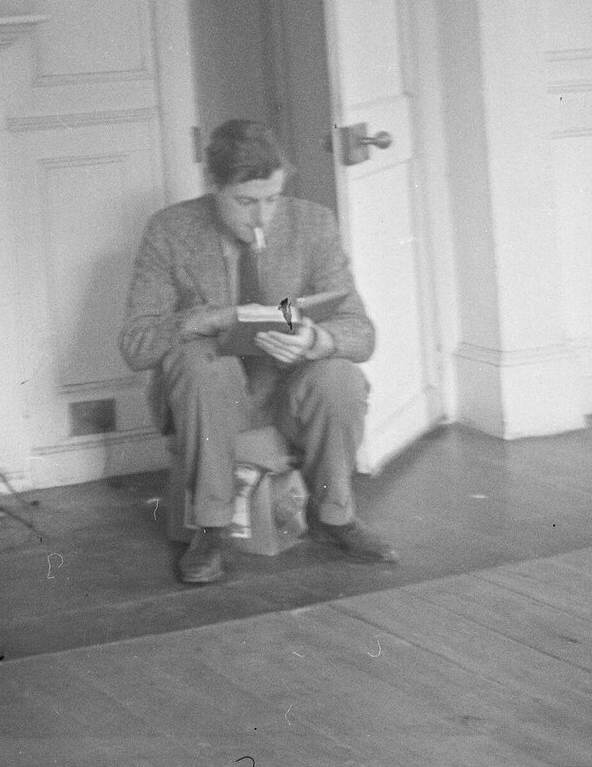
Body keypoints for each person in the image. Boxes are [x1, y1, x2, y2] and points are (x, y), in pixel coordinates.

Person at [121, 119, 398, 584]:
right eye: (245, 202)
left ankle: (335, 516)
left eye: (271, 199)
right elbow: (136, 343)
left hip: (286, 394)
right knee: (201, 364)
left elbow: (360, 332)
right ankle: (210, 528)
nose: (261, 218)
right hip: (206, 399)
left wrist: (316, 341)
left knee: (340, 377)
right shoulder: (170, 231)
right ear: (214, 187)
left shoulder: (312, 224)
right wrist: (203, 320)